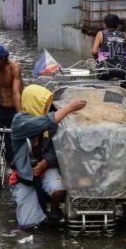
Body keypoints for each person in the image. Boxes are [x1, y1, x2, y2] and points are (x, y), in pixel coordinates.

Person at [10, 85, 86, 228]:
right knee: (28, 224)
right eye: (43, 105)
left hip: (46, 168)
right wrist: (69, 108)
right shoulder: (20, 121)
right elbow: (45, 122)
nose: (46, 108)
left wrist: (45, 162)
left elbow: (57, 147)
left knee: (58, 189)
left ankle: (54, 208)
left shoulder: (51, 122)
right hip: (26, 175)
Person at [91, 13, 126, 80]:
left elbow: (94, 51)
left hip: (105, 71)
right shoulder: (122, 34)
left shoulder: (101, 34)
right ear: (117, 24)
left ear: (105, 24)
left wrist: (99, 61)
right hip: (121, 71)